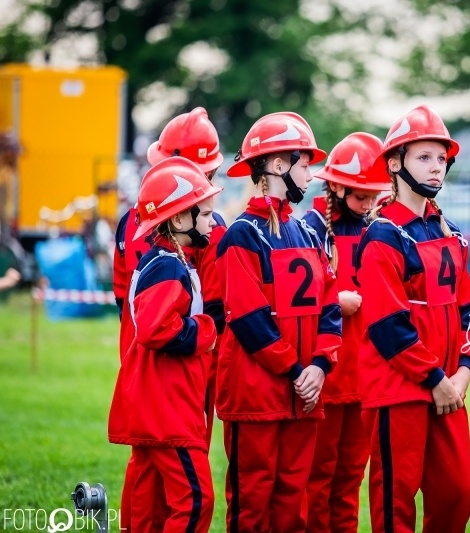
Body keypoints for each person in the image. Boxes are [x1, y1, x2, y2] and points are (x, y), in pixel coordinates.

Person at [215, 111, 341, 533]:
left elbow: (329, 307)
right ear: (277, 164)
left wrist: (319, 367)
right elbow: (248, 320)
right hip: (257, 397)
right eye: (305, 163)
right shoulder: (242, 235)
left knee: (293, 502)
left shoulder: (306, 233)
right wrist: (296, 371)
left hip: (302, 394)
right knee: (252, 502)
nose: (311, 173)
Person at [355, 105, 470, 533]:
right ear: (395, 163)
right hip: (400, 390)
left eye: (441, 158)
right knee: (395, 503)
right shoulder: (383, 234)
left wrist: (463, 372)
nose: (435, 168)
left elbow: (468, 314)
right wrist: (435, 379)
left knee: (458, 494)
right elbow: (388, 325)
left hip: (448, 387)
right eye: (424, 157)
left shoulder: (451, 233)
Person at [112, 106, 225, 531]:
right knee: (190, 489)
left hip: (141, 373)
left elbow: (123, 297)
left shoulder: (132, 220)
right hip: (177, 383)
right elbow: (209, 309)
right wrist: (205, 333)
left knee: (145, 473)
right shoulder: (187, 240)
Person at [302, 132, 392, 533]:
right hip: (326, 371)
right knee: (317, 476)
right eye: (360, 196)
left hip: (365, 376)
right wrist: (335, 300)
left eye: (374, 196)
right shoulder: (310, 228)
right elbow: (297, 300)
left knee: (351, 476)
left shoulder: (381, 228)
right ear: (335, 186)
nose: (368, 204)